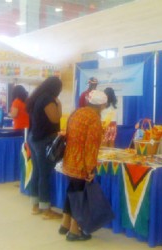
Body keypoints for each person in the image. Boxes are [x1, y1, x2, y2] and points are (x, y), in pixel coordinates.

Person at [60, 90, 107, 241]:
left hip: (69, 159)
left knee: (72, 191)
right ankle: (74, 231)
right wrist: (90, 169)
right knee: (80, 195)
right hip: (81, 163)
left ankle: (65, 224)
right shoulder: (94, 119)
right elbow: (91, 147)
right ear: (101, 105)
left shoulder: (76, 112)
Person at [26, 76, 62, 219]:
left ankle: (35, 205)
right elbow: (55, 118)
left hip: (34, 138)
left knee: (37, 172)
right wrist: (58, 104)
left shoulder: (38, 97)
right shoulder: (48, 99)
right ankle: (46, 208)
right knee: (44, 174)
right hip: (43, 140)